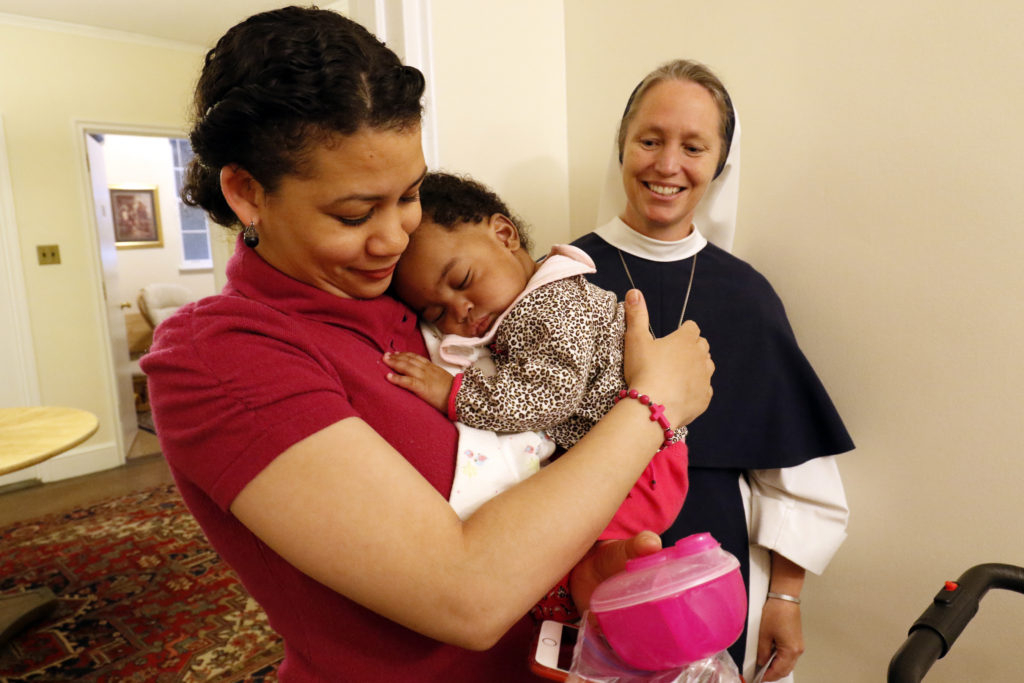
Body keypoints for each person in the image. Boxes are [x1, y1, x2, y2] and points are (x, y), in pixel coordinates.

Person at [139, 8, 714, 682]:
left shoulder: (409, 296)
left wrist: (585, 578)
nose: (394, 238)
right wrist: (653, 404)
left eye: (409, 195)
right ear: (245, 192)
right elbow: (466, 595)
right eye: (354, 214)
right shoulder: (221, 355)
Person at [571, 59, 854, 682]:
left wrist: (785, 597)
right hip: (578, 564)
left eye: (693, 147)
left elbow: (794, 471)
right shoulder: (562, 275)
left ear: (719, 164)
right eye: (650, 140)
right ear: (622, 145)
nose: (667, 165)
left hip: (715, 577)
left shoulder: (746, 295)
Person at [387, 171, 688, 539]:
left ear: (504, 235)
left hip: (642, 466)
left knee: (553, 549)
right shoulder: (521, 308)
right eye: (436, 314)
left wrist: (456, 393)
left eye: (463, 280)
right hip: (627, 457)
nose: (460, 310)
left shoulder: (553, 302)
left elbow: (552, 394)